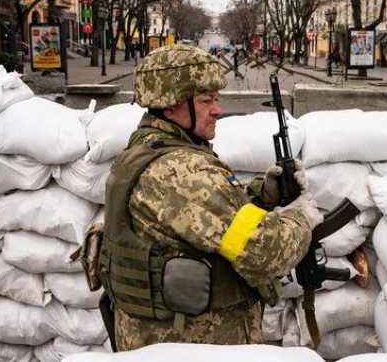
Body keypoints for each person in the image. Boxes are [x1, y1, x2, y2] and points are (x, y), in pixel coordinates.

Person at [99, 44, 321, 351]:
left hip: (163, 340)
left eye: (216, 99)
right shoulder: (181, 171)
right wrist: (301, 216)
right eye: (206, 101)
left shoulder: (146, 150)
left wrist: (262, 196)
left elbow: (208, 222)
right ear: (171, 105)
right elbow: (265, 253)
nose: (217, 109)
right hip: (194, 344)